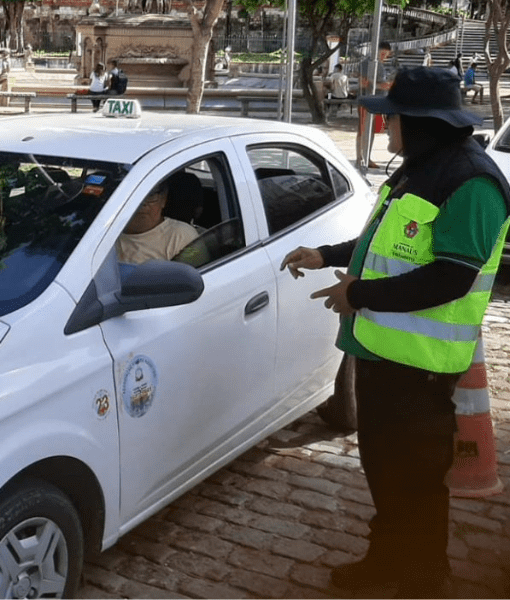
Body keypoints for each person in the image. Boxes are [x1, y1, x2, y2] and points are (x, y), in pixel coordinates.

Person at [280, 67, 510, 598]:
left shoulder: (471, 183)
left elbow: (450, 278)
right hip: (384, 355)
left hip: (420, 368)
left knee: (415, 484)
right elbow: (381, 244)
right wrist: (325, 256)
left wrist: (357, 295)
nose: (384, 127)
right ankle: (387, 562)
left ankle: (424, 580)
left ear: (421, 122)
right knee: (387, 475)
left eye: (393, 118)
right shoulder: (421, 168)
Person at [116, 180, 199, 264]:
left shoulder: (181, 236)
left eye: (150, 195)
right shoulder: (110, 231)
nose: (142, 203)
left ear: (163, 199)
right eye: (135, 196)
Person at [356, 41, 392, 169]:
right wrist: (381, 86)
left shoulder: (380, 65)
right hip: (367, 100)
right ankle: (360, 157)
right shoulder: (367, 63)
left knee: (371, 130)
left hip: (377, 101)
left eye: (386, 55)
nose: (384, 57)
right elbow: (363, 82)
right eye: (382, 54)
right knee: (363, 129)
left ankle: (366, 156)